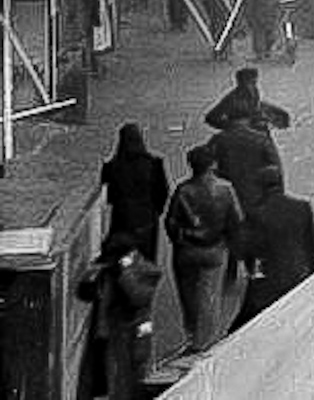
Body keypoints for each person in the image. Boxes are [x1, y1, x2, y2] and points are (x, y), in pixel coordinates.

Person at [165, 145, 243, 354]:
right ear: (213, 164)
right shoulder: (225, 189)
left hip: (186, 252)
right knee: (209, 297)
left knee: (188, 296)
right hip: (215, 251)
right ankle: (206, 343)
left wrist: (182, 237)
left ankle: (192, 337)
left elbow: (170, 223)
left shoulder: (183, 190)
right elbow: (236, 222)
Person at [231, 166, 314, 330]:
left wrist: (254, 272)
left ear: (260, 186)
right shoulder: (302, 208)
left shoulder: (256, 213)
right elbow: (311, 246)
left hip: (270, 282)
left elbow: (245, 251)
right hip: (301, 276)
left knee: (242, 327)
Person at [75, 232, 161, 400]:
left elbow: (138, 297)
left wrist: (125, 272)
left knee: (129, 376)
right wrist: (89, 277)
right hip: (107, 331)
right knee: (106, 377)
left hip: (131, 330)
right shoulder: (108, 271)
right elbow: (85, 294)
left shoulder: (146, 271)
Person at [100, 124, 170, 263]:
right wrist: (156, 210)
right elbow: (162, 192)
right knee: (145, 259)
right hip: (147, 218)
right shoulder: (154, 164)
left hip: (122, 218)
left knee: (120, 256)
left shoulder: (112, 166)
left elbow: (107, 195)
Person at [207, 115, 283, 241]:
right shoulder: (261, 139)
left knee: (230, 241)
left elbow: (206, 166)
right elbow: (276, 173)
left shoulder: (219, 140)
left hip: (226, 201)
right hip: (257, 199)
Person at [204, 67, 291, 133]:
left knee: (283, 115)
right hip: (241, 131)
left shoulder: (254, 91)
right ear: (240, 82)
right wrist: (233, 125)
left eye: (254, 82)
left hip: (255, 126)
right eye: (250, 82)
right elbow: (210, 118)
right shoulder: (231, 99)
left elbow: (256, 107)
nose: (252, 86)